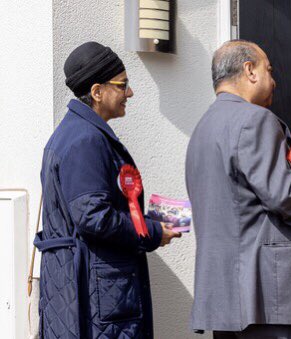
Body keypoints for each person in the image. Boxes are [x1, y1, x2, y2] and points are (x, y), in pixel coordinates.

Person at [185, 40, 291, 339]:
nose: (274, 80)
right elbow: (287, 197)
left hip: (226, 299)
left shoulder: (201, 131)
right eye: (268, 70)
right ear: (249, 71)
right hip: (272, 298)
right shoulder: (255, 120)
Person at [34, 41, 181, 339]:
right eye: (123, 85)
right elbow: (93, 217)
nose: (130, 93)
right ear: (97, 91)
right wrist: (152, 232)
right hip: (99, 304)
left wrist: (149, 222)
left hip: (94, 296)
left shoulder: (76, 134)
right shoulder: (85, 140)